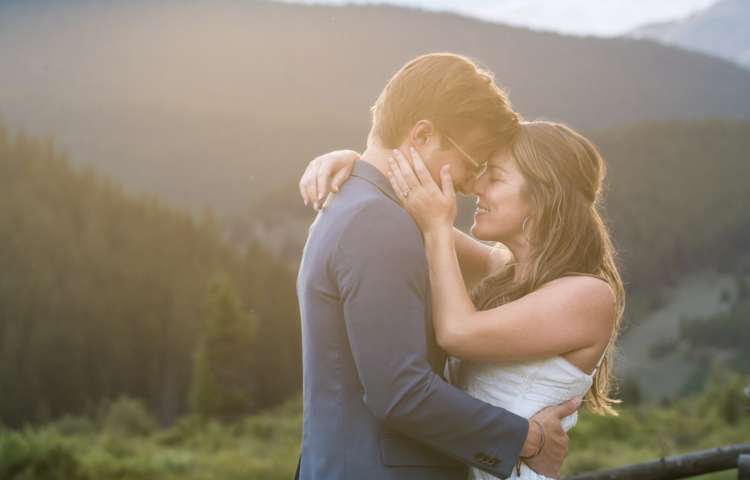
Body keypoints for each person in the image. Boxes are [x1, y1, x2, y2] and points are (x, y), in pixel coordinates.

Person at [295, 52, 580, 480]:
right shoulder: (377, 222)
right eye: (474, 158)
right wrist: (526, 439)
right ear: (423, 136)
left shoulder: (365, 205)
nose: (472, 181)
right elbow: (401, 392)